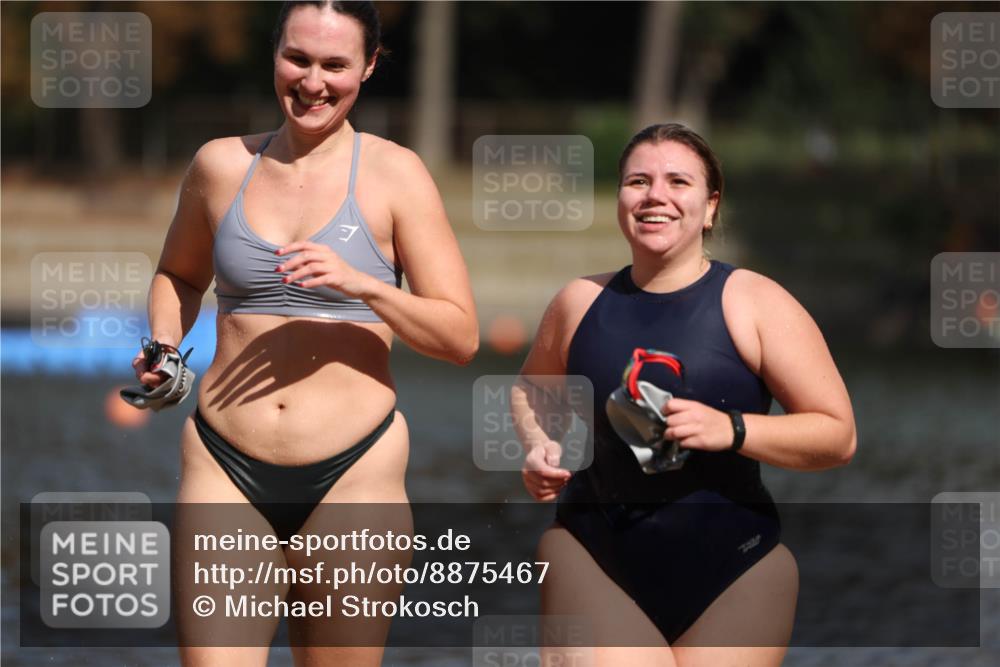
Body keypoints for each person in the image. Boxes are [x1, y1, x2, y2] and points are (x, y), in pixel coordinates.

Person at [131, 2, 477, 665]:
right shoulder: (220, 166)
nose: (312, 81)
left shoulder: (395, 174)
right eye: (298, 59)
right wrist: (164, 347)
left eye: (334, 65)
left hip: (355, 474)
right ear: (274, 56)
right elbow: (177, 274)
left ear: (369, 67)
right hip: (223, 466)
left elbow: (460, 335)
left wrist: (366, 284)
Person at [513, 123, 855, 666]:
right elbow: (532, 388)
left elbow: (837, 435)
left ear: (711, 205)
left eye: (678, 181)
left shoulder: (756, 302)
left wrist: (735, 429)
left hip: (736, 567)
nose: (656, 196)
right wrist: (538, 445)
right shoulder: (579, 302)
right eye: (638, 181)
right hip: (595, 555)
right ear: (620, 198)